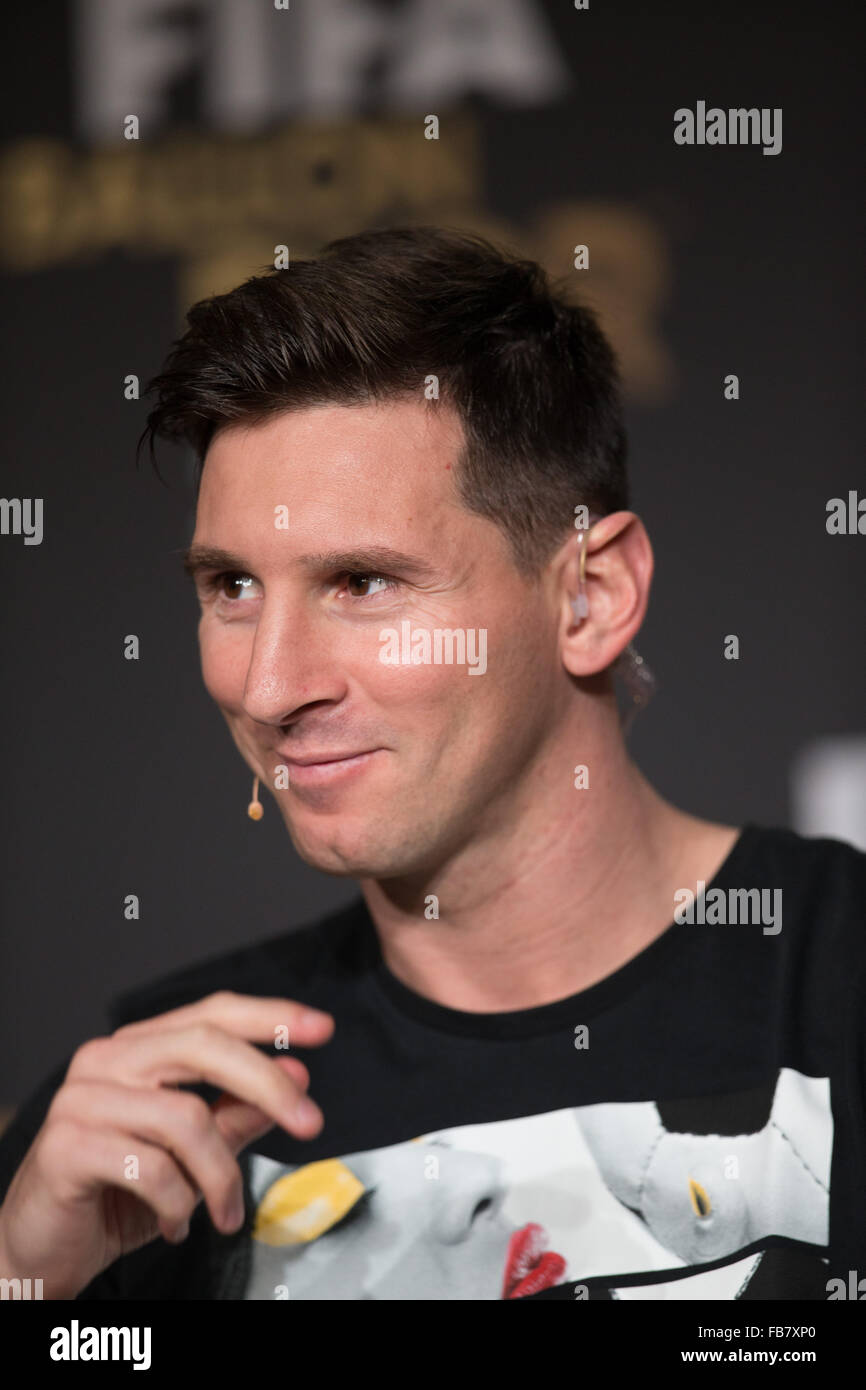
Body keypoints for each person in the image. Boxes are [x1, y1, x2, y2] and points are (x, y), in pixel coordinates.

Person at [0, 226, 863, 1301]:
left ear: (589, 596)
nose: (269, 687)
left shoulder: (833, 976)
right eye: (230, 588)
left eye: (361, 582)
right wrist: (26, 1288)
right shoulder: (149, 1118)